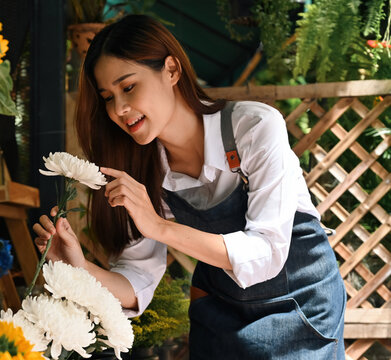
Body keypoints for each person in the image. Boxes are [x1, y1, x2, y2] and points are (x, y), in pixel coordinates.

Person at [33, 14, 346, 359]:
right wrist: (81, 268)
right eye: (107, 97)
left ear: (171, 70)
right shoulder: (142, 169)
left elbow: (267, 253)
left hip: (301, 308)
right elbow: (137, 281)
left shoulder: (253, 127)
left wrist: (159, 226)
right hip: (221, 316)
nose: (119, 109)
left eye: (128, 87)